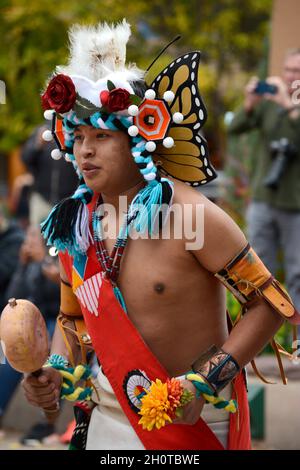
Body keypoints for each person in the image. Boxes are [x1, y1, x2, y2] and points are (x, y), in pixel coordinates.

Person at [22, 21, 300, 451]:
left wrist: (207, 381)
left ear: (139, 143)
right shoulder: (76, 224)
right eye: (77, 137)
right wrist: (58, 371)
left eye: (101, 136)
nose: (84, 151)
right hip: (106, 420)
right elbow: (73, 319)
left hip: (195, 424)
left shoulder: (193, 214)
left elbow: (270, 304)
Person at [228, 49, 300, 321]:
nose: (292, 76)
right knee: (256, 271)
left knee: (298, 273)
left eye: (298, 71)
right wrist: (249, 103)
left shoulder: (285, 104)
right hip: (263, 200)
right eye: (289, 70)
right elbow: (235, 128)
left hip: (295, 204)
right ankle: (257, 338)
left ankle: (298, 342)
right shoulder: (268, 104)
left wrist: (288, 105)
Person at [0, 226, 60, 445]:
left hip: (53, 323)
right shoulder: (26, 262)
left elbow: (62, 299)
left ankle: (47, 425)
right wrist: (23, 266)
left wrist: (44, 260)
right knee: (5, 351)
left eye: (34, 237)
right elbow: (11, 298)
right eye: (28, 237)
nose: (29, 242)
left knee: (54, 349)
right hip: (26, 326)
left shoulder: (56, 255)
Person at [21, 122, 78, 225]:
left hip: (69, 201)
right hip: (41, 198)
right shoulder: (40, 130)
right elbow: (26, 158)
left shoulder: (72, 128)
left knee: (66, 237)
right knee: (37, 236)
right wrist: (38, 145)